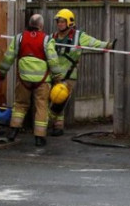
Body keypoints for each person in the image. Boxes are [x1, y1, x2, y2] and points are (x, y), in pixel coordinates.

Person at [0, 14, 63, 147]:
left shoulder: (19, 38)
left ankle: (13, 131)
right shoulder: (47, 40)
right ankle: (39, 137)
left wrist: (1, 72)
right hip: (42, 82)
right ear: (41, 25)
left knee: (20, 104)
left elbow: (8, 57)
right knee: (41, 106)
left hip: (23, 80)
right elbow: (53, 60)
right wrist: (57, 78)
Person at [49, 8, 115, 136]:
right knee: (53, 99)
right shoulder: (52, 37)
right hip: (54, 74)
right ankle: (54, 124)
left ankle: (56, 125)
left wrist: (109, 45)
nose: (59, 24)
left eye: (62, 21)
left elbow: (94, 43)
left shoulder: (79, 36)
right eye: (58, 21)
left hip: (69, 75)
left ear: (69, 22)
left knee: (60, 99)